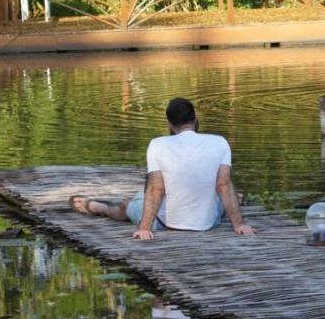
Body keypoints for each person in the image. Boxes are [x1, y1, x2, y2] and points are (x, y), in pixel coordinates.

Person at [70, 97, 256, 240]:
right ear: (195, 118)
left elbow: (157, 189)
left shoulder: (157, 145)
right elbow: (223, 185)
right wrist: (239, 225)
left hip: (164, 223)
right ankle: (232, 202)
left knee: (128, 205)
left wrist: (144, 228)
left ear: (169, 123)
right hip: (209, 223)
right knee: (220, 194)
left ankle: (97, 207)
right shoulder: (220, 142)